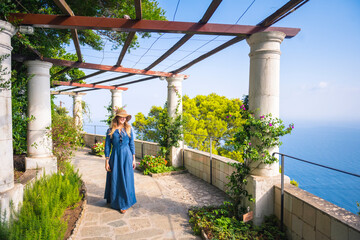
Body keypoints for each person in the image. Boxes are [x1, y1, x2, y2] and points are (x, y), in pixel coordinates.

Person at [104, 109, 136, 213]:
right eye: (121, 116)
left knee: (126, 178)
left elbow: (132, 144)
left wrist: (134, 159)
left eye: (125, 117)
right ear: (117, 117)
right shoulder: (110, 130)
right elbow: (107, 146)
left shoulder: (129, 129)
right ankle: (114, 199)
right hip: (115, 156)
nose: (123, 118)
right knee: (116, 178)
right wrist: (106, 161)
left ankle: (125, 203)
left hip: (127, 156)